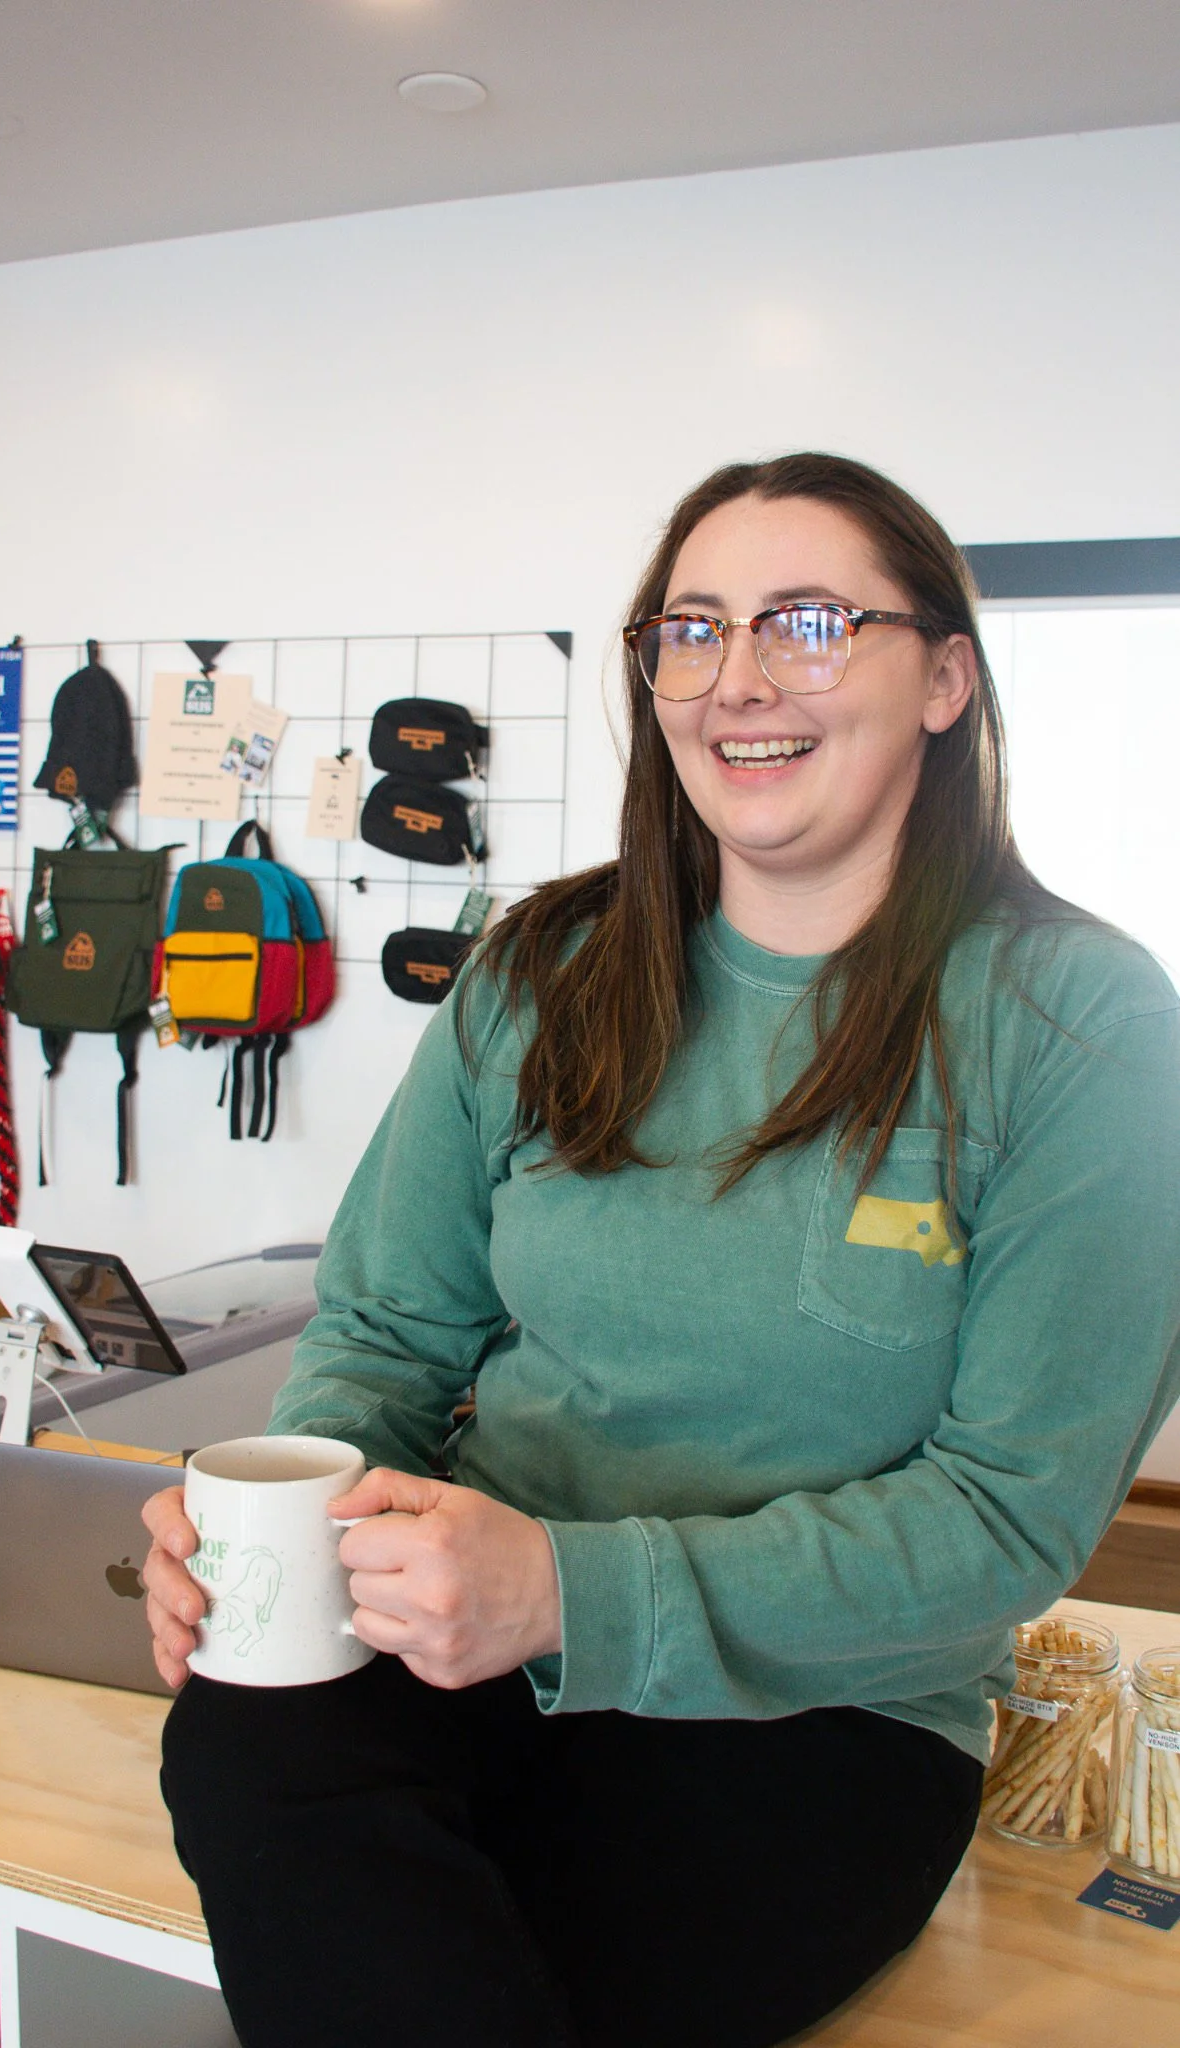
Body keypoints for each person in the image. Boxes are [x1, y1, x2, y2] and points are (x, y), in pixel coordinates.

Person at [145, 453, 1180, 2048]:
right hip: (455, 1643)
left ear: (947, 681)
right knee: (238, 1745)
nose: (738, 681)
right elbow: (388, 1337)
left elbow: (1006, 1518)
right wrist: (276, 1539)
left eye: (811, 622)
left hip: (829, 1721)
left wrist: (568, 1593)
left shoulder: (1079, 1023)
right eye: (688, 631)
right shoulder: (541, 968)